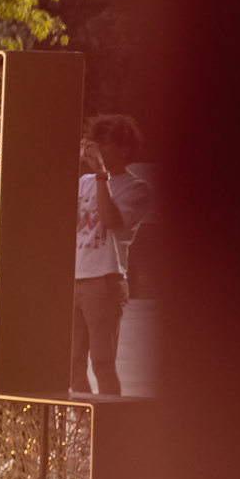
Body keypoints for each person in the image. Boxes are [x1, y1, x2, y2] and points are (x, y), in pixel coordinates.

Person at [72, 113, 153, 395]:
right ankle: (82, 421)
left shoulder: (137, 188)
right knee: (72, 364)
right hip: (74, 278)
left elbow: (109, 220)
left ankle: (108, 420)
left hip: (104, 279)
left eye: (103, 142)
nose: (96, 148)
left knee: (102, 363)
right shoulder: (83, 181)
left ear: (123, 148)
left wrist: (101, 173)